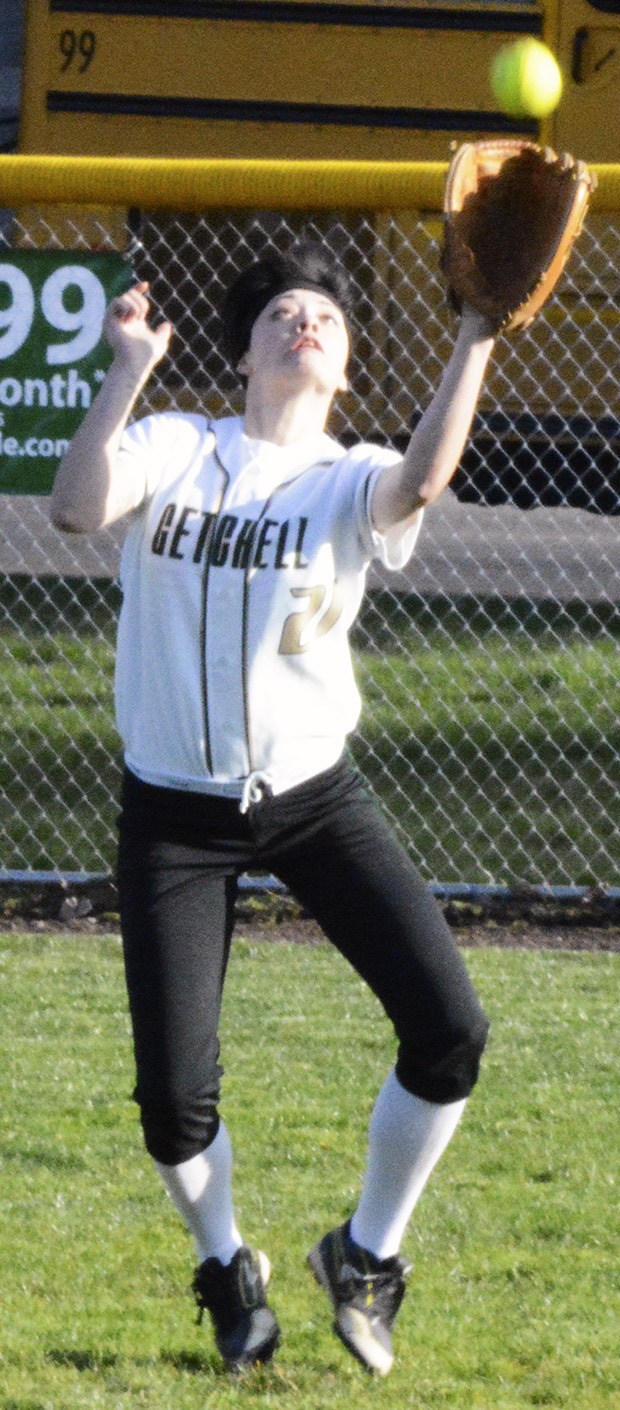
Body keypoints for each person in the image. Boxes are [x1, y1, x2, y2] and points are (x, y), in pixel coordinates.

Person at [50, 240, 494, 1377]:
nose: (304, 324)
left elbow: (421, 481)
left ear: (343, 372)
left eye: (327, 322)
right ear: (243, 352)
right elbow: (74, 509)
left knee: (448, 1030)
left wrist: (476, 331)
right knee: (171, 1105)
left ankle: (365, 1257)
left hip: (310, 799)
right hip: (174, 818)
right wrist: (127, 370)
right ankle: (227, 1268)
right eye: (281, 314)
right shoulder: (176, 444)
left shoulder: (351, 475)